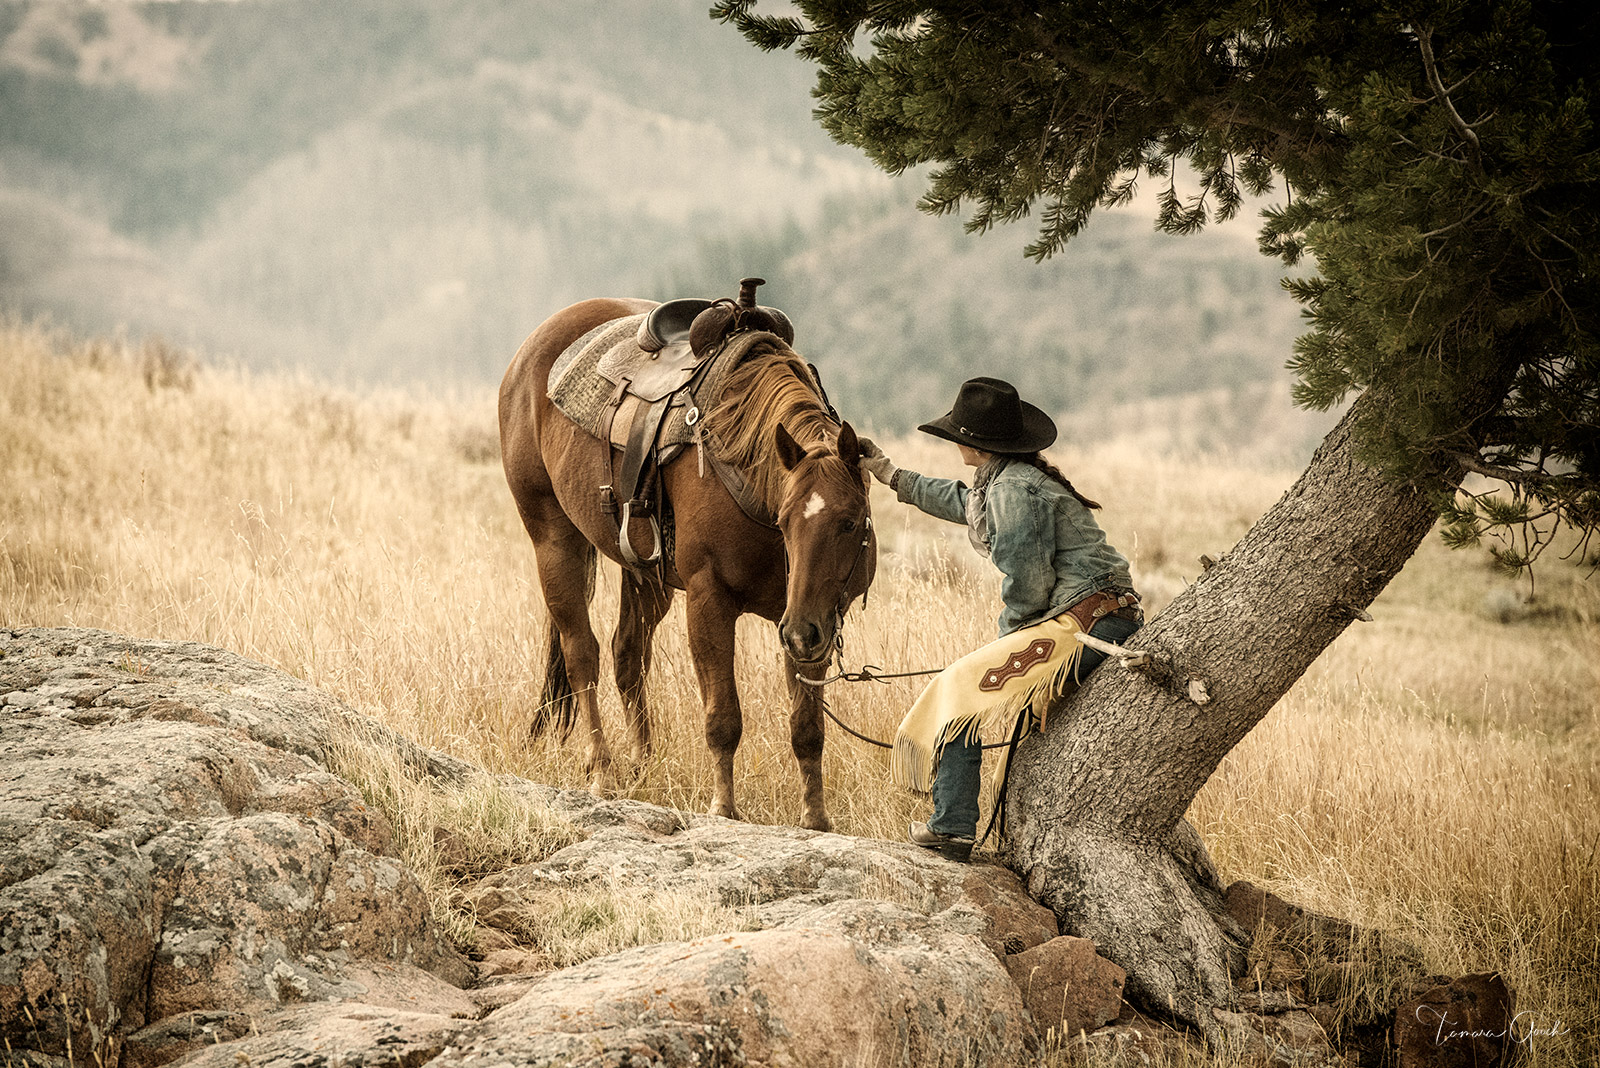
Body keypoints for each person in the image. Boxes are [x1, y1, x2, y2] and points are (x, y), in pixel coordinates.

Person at [859, 377, 1142, 862]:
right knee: (964, 684)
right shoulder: (1004, 481)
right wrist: (888, 473)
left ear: (973, 442)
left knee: (962, 688)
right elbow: (957, 500)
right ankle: (952, 825)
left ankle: (951, 829)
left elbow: (1028, 582)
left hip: (1089, 622)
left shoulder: (1012, 489)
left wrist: (1002, 644)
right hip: (1091, 617)